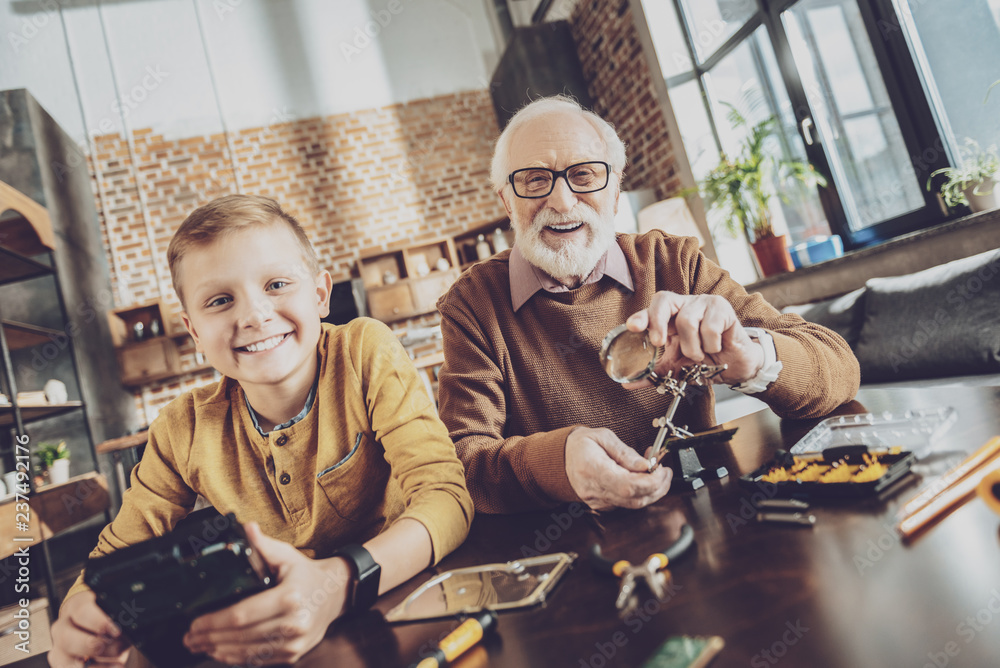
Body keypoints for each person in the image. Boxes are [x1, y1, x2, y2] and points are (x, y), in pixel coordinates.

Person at [50, 195, 473, 667]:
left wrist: (336, 585)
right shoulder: (180, 428)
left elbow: (446, 498)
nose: (253, 315)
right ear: (193, 332)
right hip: (278, 643)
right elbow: (113, 556)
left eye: (276, 284)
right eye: (220, 300)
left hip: (410, 609)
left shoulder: (364, 351)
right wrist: (78, 616)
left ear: (319, 295)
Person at [437, 96, 860, 515]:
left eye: (584, 175)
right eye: (533, 180)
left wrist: (749, 358)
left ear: (616, 190)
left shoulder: (675, 262)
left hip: (708, 526)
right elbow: (463, 465)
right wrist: (559, 463)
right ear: (507, 201)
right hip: (574, 552)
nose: (563, 201)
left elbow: (841, 369)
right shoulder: (471, 305)